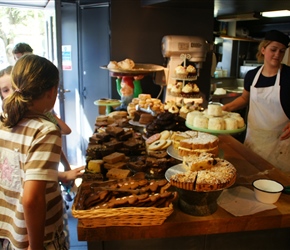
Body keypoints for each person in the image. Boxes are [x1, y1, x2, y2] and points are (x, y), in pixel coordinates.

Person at [0, 54, 80, 249]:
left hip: (10, 233)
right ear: (51, 92)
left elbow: (16, 172)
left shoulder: (5, 122)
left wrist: (59, 175)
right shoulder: (46, 130)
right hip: (38, 238)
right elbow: (32, 199)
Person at [222, 30, 290, 173]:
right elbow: (245, 98)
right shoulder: (252, 75)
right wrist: (226, 108)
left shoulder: (288, 76)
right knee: (252, 176)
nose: (277, 55)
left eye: (282, 51)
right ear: (263, 49)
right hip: (255, 139)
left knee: (279, 181)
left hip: (281, 142)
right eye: (273, 49)